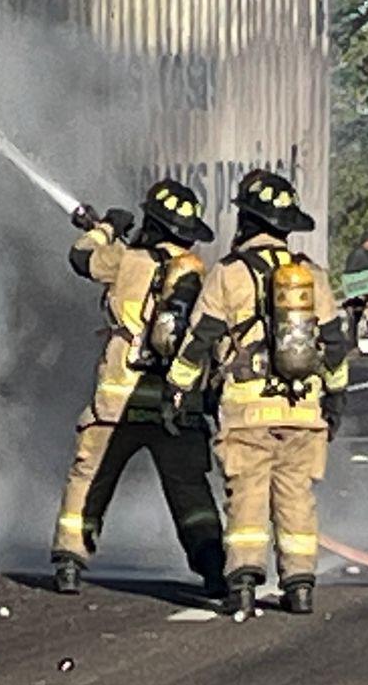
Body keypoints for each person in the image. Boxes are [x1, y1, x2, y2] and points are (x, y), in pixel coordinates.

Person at [163, 170, 349, 621]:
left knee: (246, 496)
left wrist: (179, 389)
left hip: (247, 410)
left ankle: (243, 583)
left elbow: (199, 340)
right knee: (295, 497)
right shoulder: (311, 277)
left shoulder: (229, 275)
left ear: (245, 221)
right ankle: (299, 586)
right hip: (303, 410)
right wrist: (335, 401)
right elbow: (336, 346)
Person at [52, 179, 227, 598]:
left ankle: (70, 564)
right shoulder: (197, 272)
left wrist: (108, 226)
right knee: (192, 494)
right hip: (176, 405)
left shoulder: (124, 260)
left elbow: (81, 257)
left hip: (118, 404)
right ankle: (213, 568)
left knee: (90, 479)